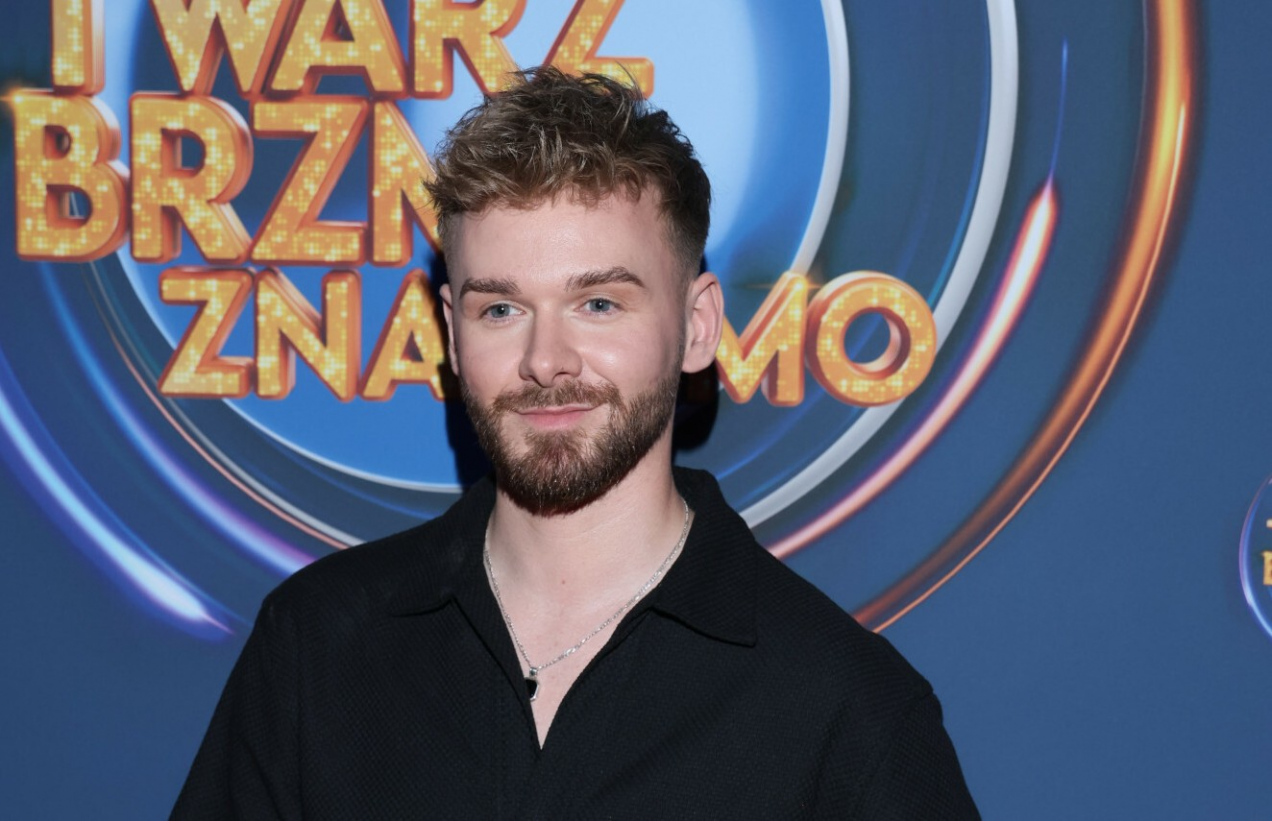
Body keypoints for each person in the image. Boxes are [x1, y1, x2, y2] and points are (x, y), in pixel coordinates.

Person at [172, 67, 978, 819]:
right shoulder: (317, 648)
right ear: (451, 332)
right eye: (501, 309)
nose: (545, 360)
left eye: (598, 304)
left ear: (698, 325)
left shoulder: (845, 710)